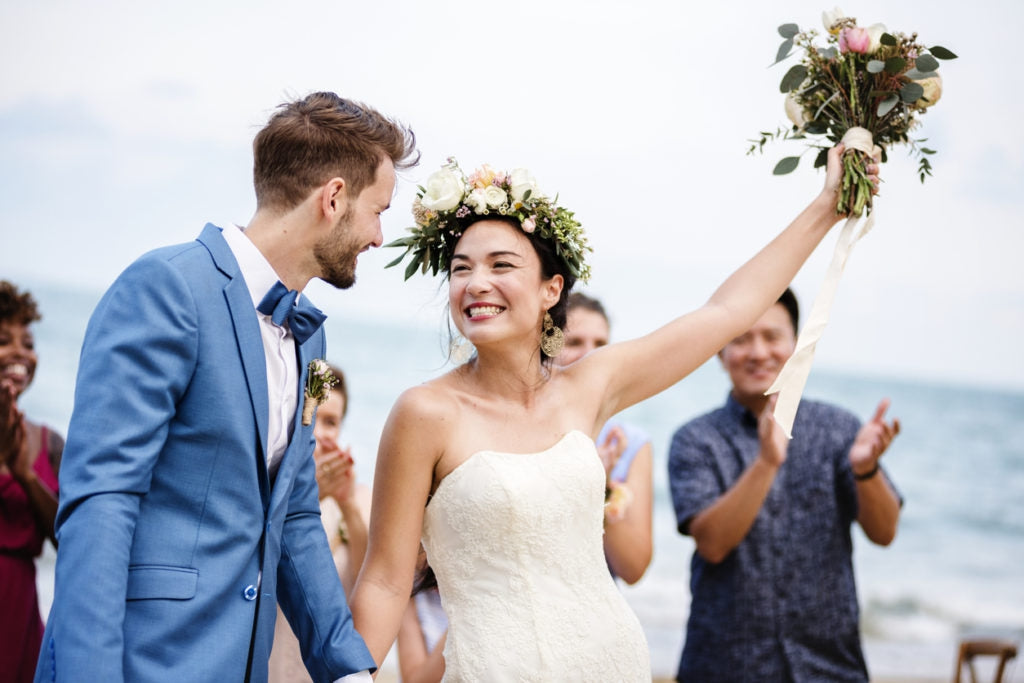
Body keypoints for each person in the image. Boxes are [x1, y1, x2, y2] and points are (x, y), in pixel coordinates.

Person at [349, 147, 877, 681]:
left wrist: (828, 205)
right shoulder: (425, 413)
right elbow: (386, 581)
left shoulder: (589, 387)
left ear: (551, 289)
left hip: (611, 662)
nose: (476, 283)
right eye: (461, 269)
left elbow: (726, 312)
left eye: (501, 265)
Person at [35, 92, 418, 683]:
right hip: (144, 662)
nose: (378, 236)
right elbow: (101, 502)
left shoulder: (308, 338)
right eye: (378, 210)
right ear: (334, 198)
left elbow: (292, 514)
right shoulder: (166, 289)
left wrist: (347, 670)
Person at [667, 287, 902, 682]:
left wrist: (865, 471)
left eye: (773, 336)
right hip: (723, 665)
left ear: (797, 344)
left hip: (831, 665)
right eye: (741, 339)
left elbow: (885, 532)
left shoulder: (839, 428)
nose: (759, 352)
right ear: (719, 352)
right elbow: (712, 543)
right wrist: (766, 461)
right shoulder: (695, 439)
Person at [269, 364, 372, 682]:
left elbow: (373, 579)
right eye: (314, 416)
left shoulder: (362, 498)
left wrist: (348, 506)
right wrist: (302, 497)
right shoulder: (269, 494)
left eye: (331, 422)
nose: (320, 431)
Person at [558, 291, 653, 584]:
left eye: (601, 344)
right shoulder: (516, 428)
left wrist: (600, 485)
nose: (592, 355)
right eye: (574, 342)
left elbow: (633, 569)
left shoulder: (630, 442)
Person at [0, 281, 63, 683]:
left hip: (17, 614)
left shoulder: (50, 443)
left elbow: (71, 540)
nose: (21, 352)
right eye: (5, 340)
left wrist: (23, 472)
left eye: (28, 340)